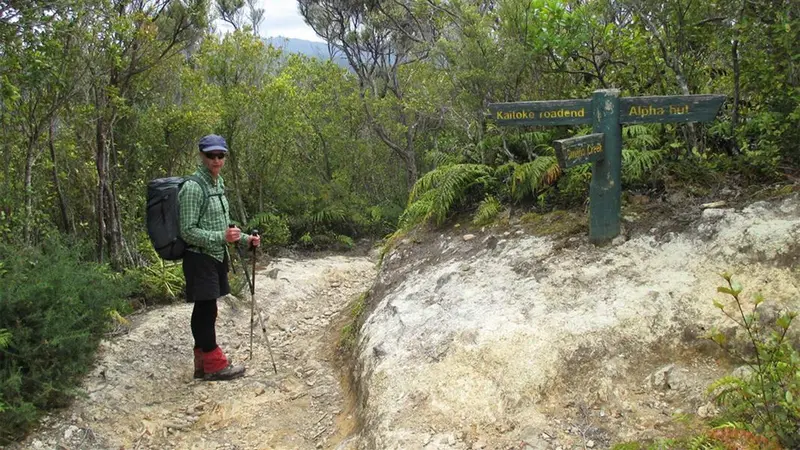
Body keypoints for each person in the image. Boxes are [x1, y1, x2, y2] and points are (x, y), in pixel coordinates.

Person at [179, 134, 260, 381]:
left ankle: (203, 362)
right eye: (211, 155)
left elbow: (224, 227)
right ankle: (214, 363)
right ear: (201, 156)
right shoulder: (193, 188)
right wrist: (221, 237)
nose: (216, 160)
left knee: (208, 309)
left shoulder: (218, 184)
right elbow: (187, 231)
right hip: (199, 257)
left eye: (220, 155)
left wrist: (245, 239)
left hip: (215, 256)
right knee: (205, 309)